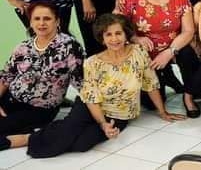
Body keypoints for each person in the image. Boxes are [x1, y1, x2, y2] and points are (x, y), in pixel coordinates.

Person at [0, 13, 185, 157]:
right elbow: (91, 97)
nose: (114, 39)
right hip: (90, 106)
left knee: (82, 145)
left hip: (119, 114)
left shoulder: (138, 53)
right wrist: (103, 124)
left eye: (118, 33)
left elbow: (151, 83)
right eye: (108, 35)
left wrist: (162, 112)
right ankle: (23, 139)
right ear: (102, 38)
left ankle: (35, 134)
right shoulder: (93, 63)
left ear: (126, 34)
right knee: (68, 130)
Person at [121, 0, 199, 117]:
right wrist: (136, 38)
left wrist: (170, 51)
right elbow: (121, 27)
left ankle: (189, 94)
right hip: (145, 54)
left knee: (188, 54)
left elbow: (188, 31)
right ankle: (166, 77)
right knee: (151, 104)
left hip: (173, 48)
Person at [0, 1, 83, 137]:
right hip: (11, 98)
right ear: (31, 22)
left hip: (39, 110)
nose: (41, 23)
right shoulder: (23, 47)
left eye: (47, 18)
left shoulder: (70, 47)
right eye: (37, 19)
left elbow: (82, 84)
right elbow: (6, 77)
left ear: (57, 21)